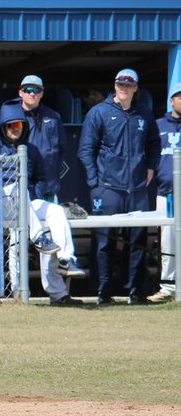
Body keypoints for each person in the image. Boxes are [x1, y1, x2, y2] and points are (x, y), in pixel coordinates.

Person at [0, 102, 86, 306]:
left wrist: (33, 197)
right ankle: (19, 288)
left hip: (26, 206)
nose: (14, 129)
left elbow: (41, 179)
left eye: (19, 125)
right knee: (16, 191)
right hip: (0, 206)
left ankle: (66, 261)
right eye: (10, 126)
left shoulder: (31, 149)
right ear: (2, 126)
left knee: (55, 211)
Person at [78, 68, 162, 305]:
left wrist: (151, 168)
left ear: (136, 88)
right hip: (108, 189)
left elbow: (154, 144)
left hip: (136, 189)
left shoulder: (144, 114)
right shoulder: (99, 112)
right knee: (104, 242)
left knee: (137, 241)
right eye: (120, 84)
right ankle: (103, 292)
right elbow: (86, 150)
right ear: (114, 86)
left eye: (129, 84)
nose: (124, 88)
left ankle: (136, 291)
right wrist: (95, 184)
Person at [148, 83, 181, 302]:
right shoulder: (158, 125)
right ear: (171, 101)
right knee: (168, 240)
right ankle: (168, 287)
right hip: (166, 193)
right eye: (179, 97)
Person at [14, 74, 69, 201]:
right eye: (28, 90)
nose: (32, 94)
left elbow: (62, 148)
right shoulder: (11, 118)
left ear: (42, 93)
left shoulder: (54, 117)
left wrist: (53, 173)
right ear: (20, 93)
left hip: (48, 187)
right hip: (21, 187)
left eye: (36, 90)